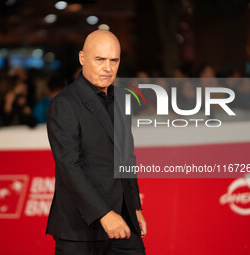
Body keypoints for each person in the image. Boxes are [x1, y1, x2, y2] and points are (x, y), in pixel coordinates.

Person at [46, 30, 146, 255]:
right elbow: (70, 167)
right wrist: (104, 214)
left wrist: (135, 207)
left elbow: (126, 158)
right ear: (82, 58)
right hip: (80, 230)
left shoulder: (121, 100)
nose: (108, 68)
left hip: (123, 224)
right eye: (100, 59)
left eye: (114, 60)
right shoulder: (65, 104)